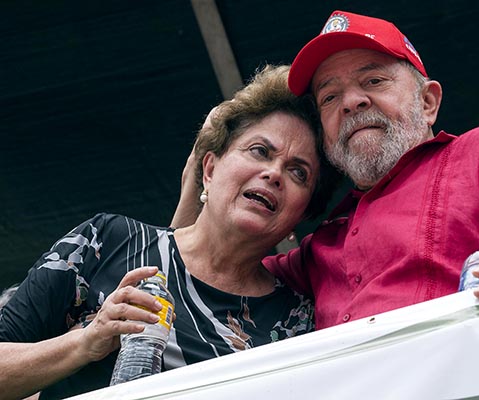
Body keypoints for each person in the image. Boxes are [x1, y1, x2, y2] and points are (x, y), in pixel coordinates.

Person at [172, 10, 479, 331]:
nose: (352, 101)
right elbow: (200, 272)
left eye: (373, 80)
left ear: (428, 102)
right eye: (330, 97)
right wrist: (202, 164)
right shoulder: (319, 249)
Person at [0, 64, 339, 399]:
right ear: (209, 169)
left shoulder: (297, 321)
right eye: (260, 151)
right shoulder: (107, 241)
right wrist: (86, 341)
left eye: (299, 173)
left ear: (302, 213)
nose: (274, 173)